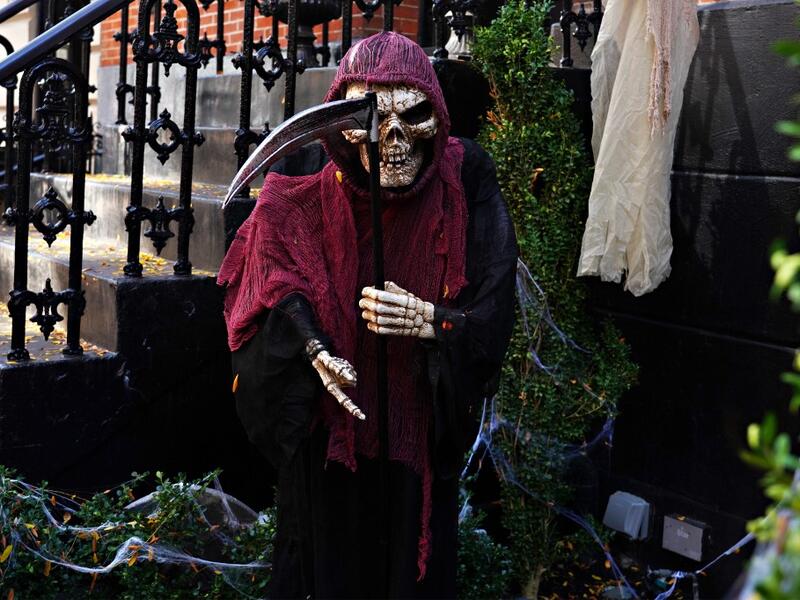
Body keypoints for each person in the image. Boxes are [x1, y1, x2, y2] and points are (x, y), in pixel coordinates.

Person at [218, 31, 517, 599]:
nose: (392, 142)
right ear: (340, 124)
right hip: (332, 442)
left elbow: (493, 302)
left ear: (437, 115)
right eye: (371, 121)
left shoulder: (464, 175)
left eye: (412, 117)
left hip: (414, 430)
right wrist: (312, 347)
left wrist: (433, 321)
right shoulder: (309, 168)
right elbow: (270, 272)